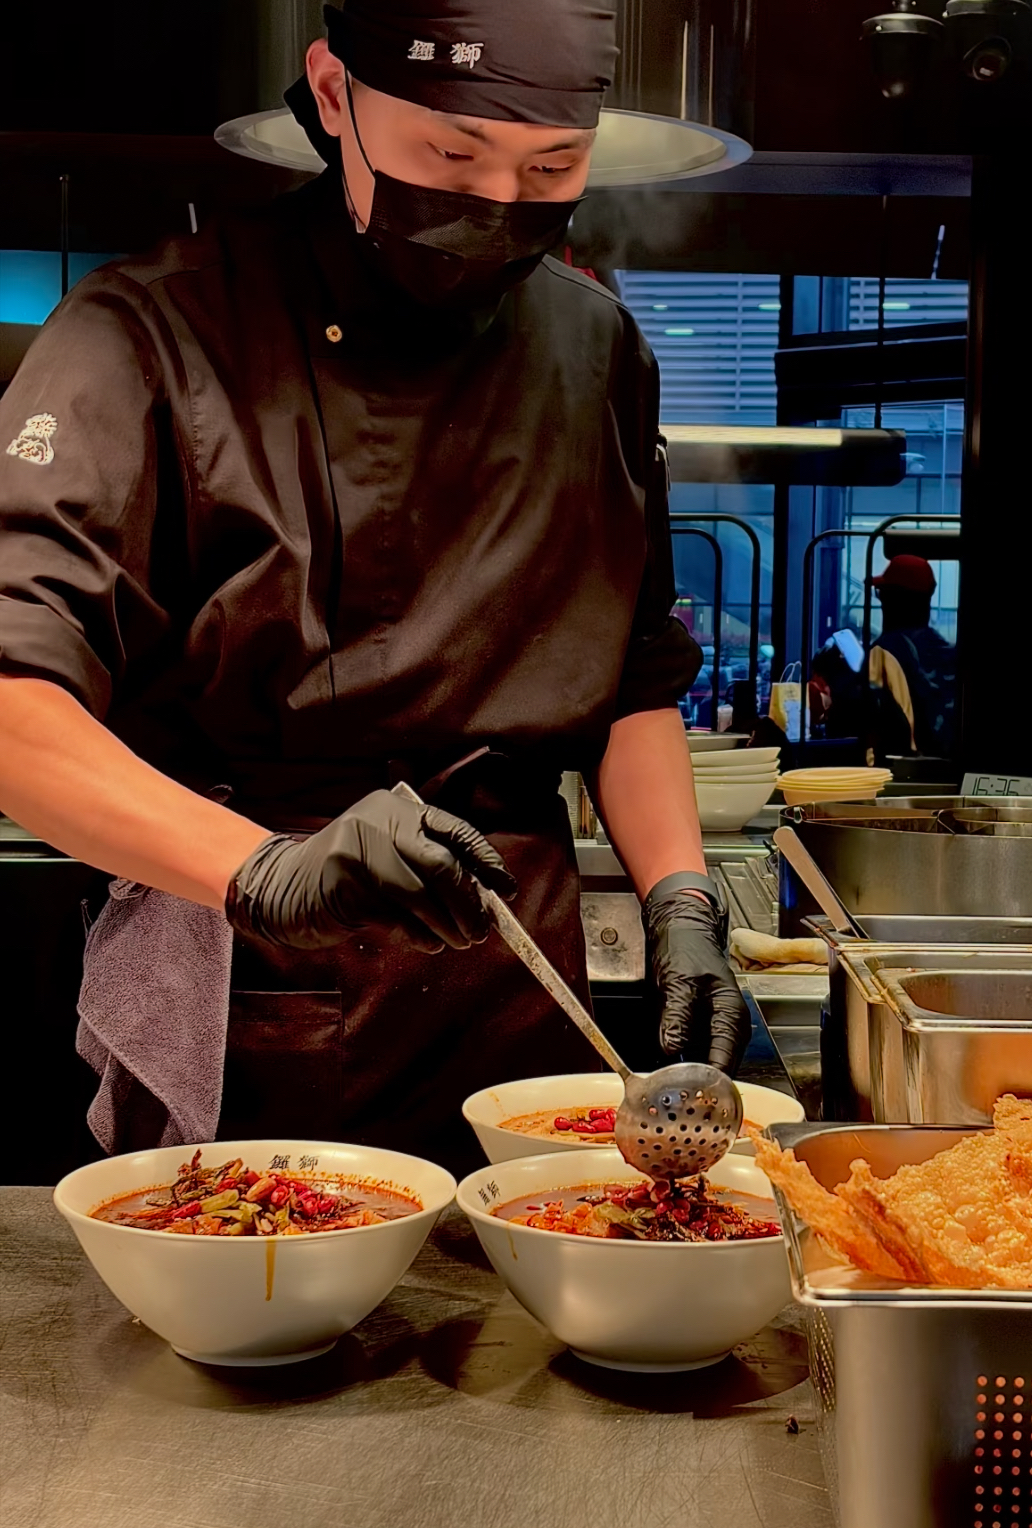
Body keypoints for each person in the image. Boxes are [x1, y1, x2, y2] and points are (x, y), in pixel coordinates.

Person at [0, 0, 749, 1173]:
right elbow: (12, 703)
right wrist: (265, 872)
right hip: (257, 973)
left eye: (551, 168)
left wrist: (683, 901)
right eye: (451, 153)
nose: (496, 203)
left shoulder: (599, 348)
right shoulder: (148, 331)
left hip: (521, 981)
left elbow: (633, 680)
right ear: (333, 93)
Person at [868, 555, 958, 759]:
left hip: (902, 767)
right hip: (944, 766)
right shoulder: (949, 652)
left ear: (896, 600)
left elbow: (863, 714)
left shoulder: (884, 651)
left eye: (882, 594)